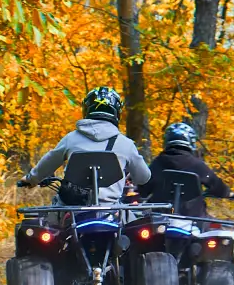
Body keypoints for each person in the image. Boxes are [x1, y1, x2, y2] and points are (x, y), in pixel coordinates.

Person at [20, 87, 152, 204]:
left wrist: (32, 178)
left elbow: (49, 161)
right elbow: (143, 178)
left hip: (73, 210)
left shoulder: (71, 139)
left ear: (87, 109)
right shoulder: (126, 144)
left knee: (50, 220)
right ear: (117, 112)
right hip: (111, 212)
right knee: (131, 220)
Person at [146, 121, 234, 217]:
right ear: (191, 142)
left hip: (159, 217)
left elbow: (144, 188)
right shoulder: (197, 165)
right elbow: (217, 185)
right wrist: (227, 193)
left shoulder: (157, 163)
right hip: (193, 217)